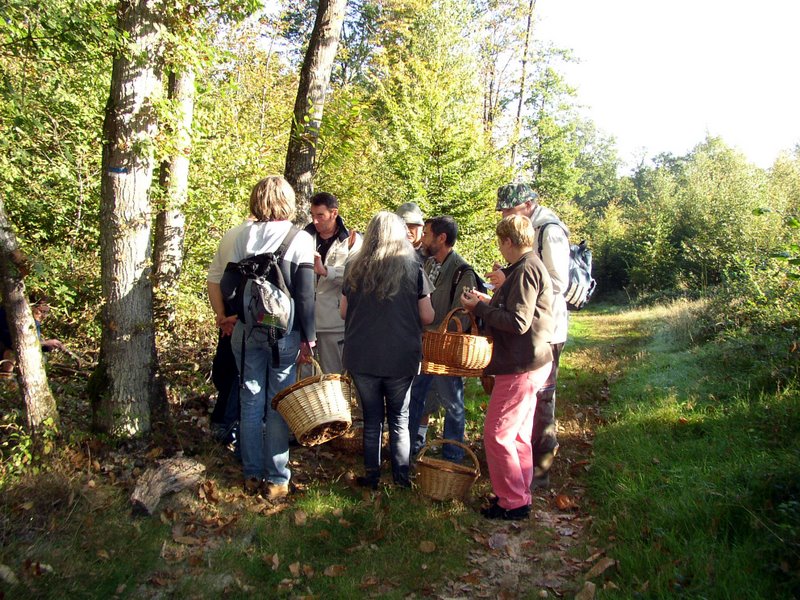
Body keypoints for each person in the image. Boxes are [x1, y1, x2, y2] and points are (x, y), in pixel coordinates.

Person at [213, 176, 316, 499]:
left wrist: (232, 314)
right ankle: (277, 478)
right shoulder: (300, 239)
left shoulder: (242, 235)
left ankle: (251, 472)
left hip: (246, 330)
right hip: (283, 332)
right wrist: (308, 338)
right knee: (278, 403)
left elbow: (227, 283)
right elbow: (305, 294)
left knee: (250, 399)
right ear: (288, 201)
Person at [462, 215, 554, 520]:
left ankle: (511, 501)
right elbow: (519, 309)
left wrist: (480, 308)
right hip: (529, 361)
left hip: (520, 364)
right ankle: (519, 495)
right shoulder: (528, 265)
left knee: (497, 434)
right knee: (517, 435)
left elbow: (518, 322)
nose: (500, 248)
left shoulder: (525, 269)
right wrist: (489, 301)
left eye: (500, 242)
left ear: (508, 241)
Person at [340, 211, 434, 489]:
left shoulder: (353, 266)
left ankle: (372, 475)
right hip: (401, 355)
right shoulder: (413, 268)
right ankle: (401, 478)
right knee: (399, 419)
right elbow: (427, 315)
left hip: (362, 353)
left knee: (372, 420)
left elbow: (343, 312)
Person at [487, 182, 570, 489]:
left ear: (529, 205)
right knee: (526, 405)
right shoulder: (525, 233)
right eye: (503, 211)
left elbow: (558, 281)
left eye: (510, 209)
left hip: (547, 331)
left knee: (543, 398)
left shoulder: (549, 231)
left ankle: (541, 468)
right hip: (529, 329)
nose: (505, 215)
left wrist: (511, 277)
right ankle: (522, 468)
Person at [408, 216, 477, 462]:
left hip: (446, 349)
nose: (423, 238)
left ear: (442, 238)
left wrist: (438, 332)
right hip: (424, 345)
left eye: (427, 234)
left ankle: (453, 457)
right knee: (415, 397)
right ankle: (410, 448)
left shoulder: (463, 272)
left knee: (452, 403)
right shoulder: (428, 264)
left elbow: (463, 315)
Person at [207, 216, 255, 449]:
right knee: (243, 373)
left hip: (231, 313)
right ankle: (230, 426)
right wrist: (229, 317)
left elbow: (214, 279)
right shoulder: (258, 236)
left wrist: (221, 314)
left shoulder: (231, 234)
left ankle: (222, 422)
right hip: (248, 316)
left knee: (229, 368)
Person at [303, 192, 362, 375]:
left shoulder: (351, 241)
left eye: (320, 215)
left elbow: (357, 276)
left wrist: (326, 271)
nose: (315, 221)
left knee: (333, 376)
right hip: (304, 322)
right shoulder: (302, 238)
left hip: (334, 323)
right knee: (304, 378)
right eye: (312, 215)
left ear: (334, 213)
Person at [0, 296, 65, 374]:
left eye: (46, 312)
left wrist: (48, 346)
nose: (44, 316)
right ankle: (6, 376)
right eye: (41, 311)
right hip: (6, 351)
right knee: (11, 353)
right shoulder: (10, 315)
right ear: (32, 306)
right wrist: (45, 343)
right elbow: (15, 342)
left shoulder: (33, 320)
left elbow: (33, 340)